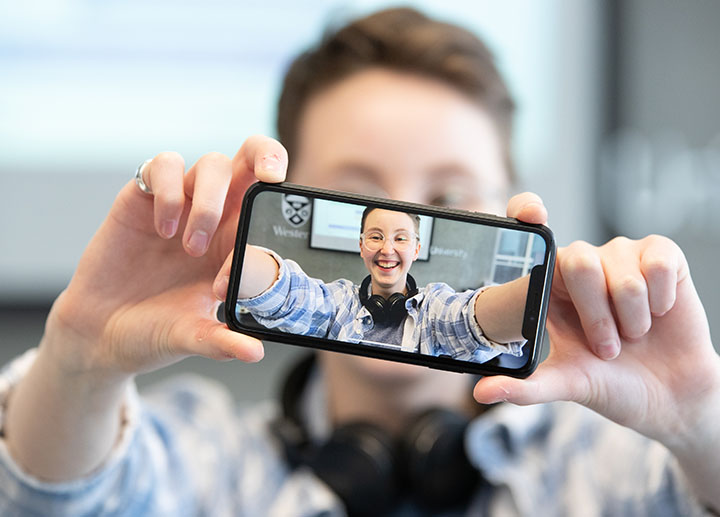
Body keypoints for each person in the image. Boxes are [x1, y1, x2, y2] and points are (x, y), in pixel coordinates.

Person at [1, 7, 719, 516]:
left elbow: (468, 315)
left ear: (506, 211)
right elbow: (52, 498)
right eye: (360, 199)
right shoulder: (208, 456)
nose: (397, 230)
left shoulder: (605, 466)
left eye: (445, 196)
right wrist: (77, 361)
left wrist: (701, 420)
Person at [237, 205, 527, 360]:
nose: (387, 249)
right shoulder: (339, 302)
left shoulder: (434, 307)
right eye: (376, 237)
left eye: (400, 238)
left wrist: (543, 295)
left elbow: (467, 317)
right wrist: (236, 259)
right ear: (362, 246)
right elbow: (290, 295)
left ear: (416, 248)